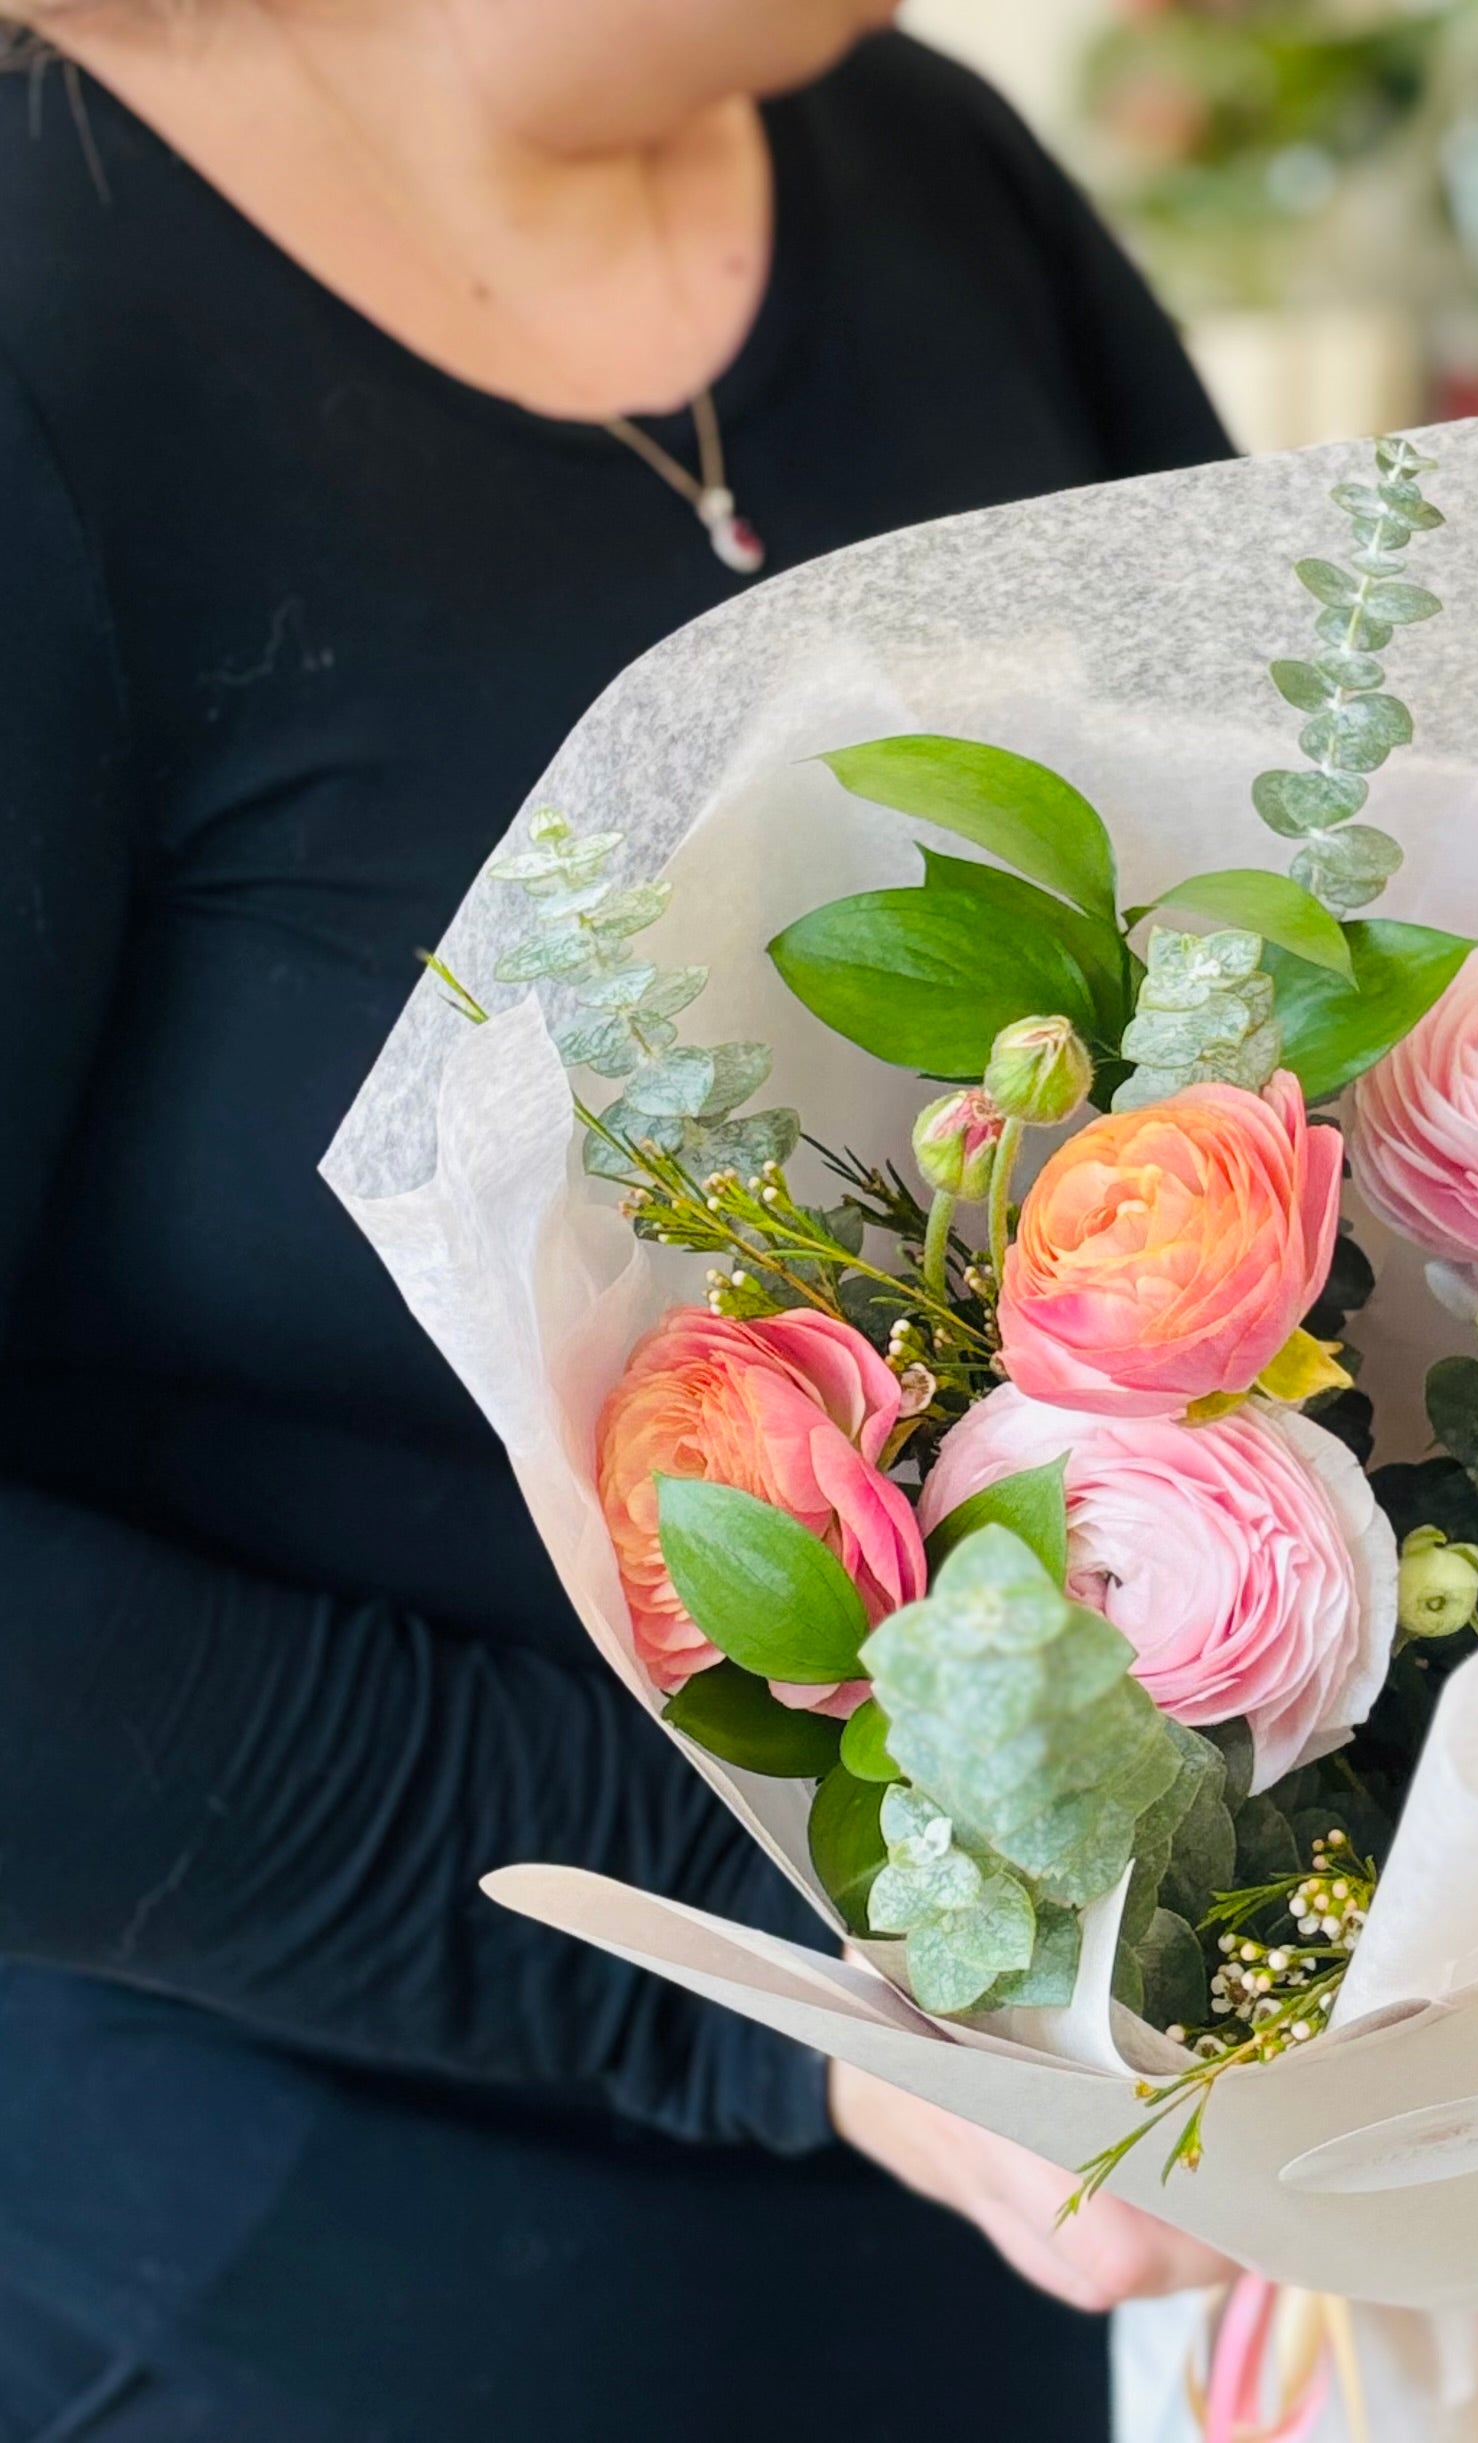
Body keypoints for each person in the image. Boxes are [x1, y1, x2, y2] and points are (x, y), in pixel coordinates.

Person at [0, 3, 1238, 2434]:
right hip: (327, 2284)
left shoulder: (928, 168)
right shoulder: (53, 304)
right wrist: (775, 1986)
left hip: (1052, 2236)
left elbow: (1318, 968)